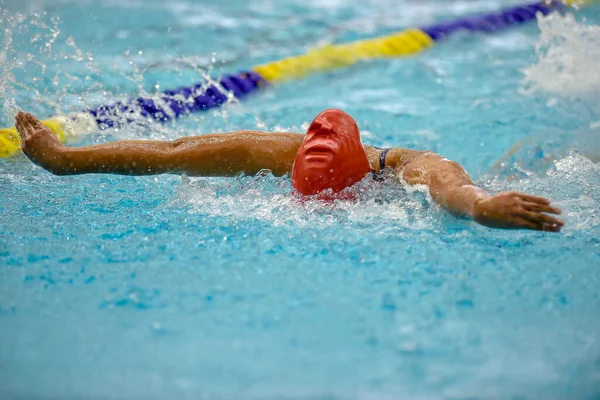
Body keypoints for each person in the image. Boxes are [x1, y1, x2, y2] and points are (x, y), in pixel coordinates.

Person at [14, 109, 564, 232]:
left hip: (505, 176)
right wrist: (64, 164)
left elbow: (456, 189)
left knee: (524, 160)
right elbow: (170, 151)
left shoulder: (414, 167)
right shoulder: (275, 153)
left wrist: (483, 204)